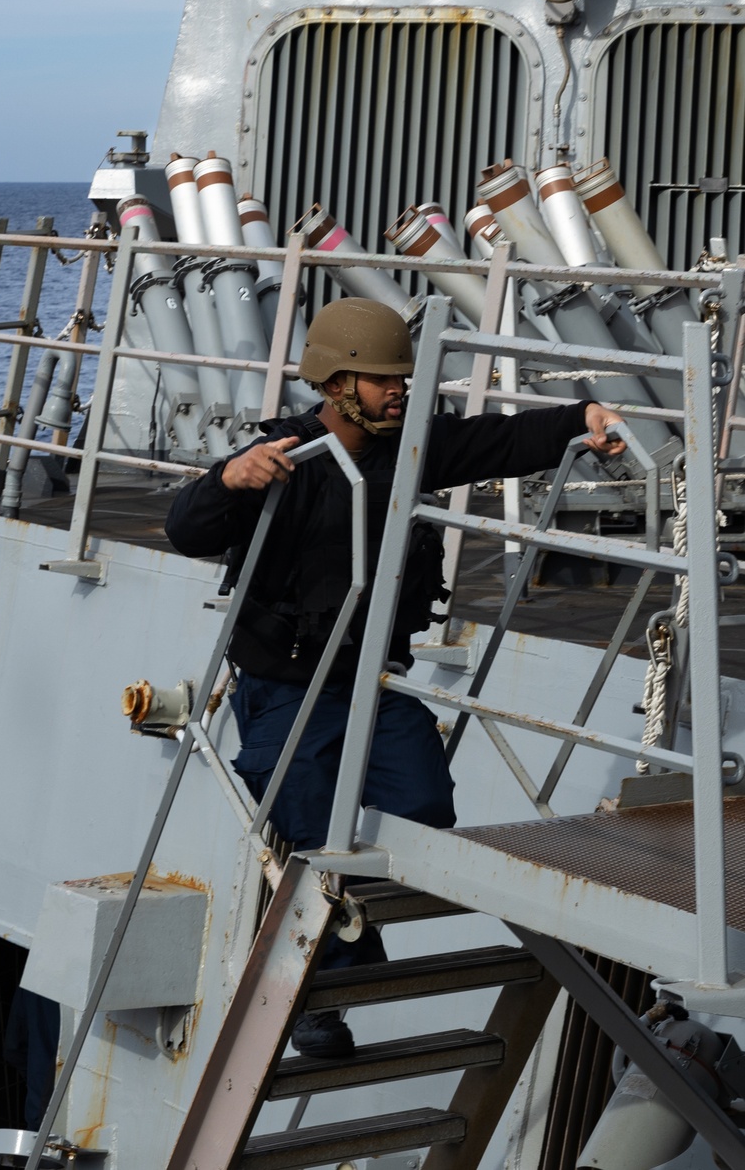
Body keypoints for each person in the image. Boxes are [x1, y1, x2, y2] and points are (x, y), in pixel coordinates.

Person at [165, 297, 625, 1058]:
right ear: (338, 383)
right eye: (383, 380)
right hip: (287, 684)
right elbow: (187, 527)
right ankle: (321, 988)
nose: (399, 390)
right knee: (307, 820)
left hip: (375, 678)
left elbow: (497, 440)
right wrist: (230, 478)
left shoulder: (411, 450)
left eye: (400, 379)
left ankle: (347, 926)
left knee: (423, 807)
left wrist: (581, 417)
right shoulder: (286, 455)